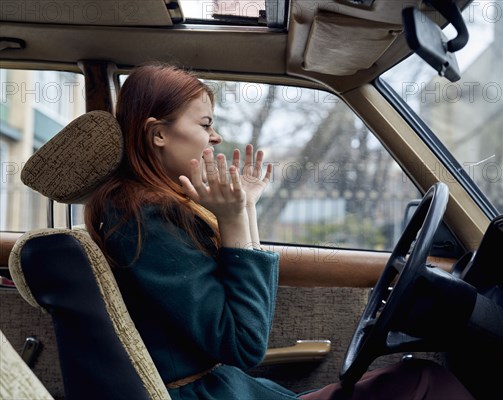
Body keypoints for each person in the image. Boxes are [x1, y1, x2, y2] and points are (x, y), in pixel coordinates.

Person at [85, 63, 475, 400]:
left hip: (223, 388)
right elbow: (245, 344)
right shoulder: (145, 220)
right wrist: (235, 219)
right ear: (158, 134)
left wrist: (246, 209)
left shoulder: (143, 210)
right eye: (205, 124)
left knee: (419, 379)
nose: (215, 136)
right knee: (425, 380)